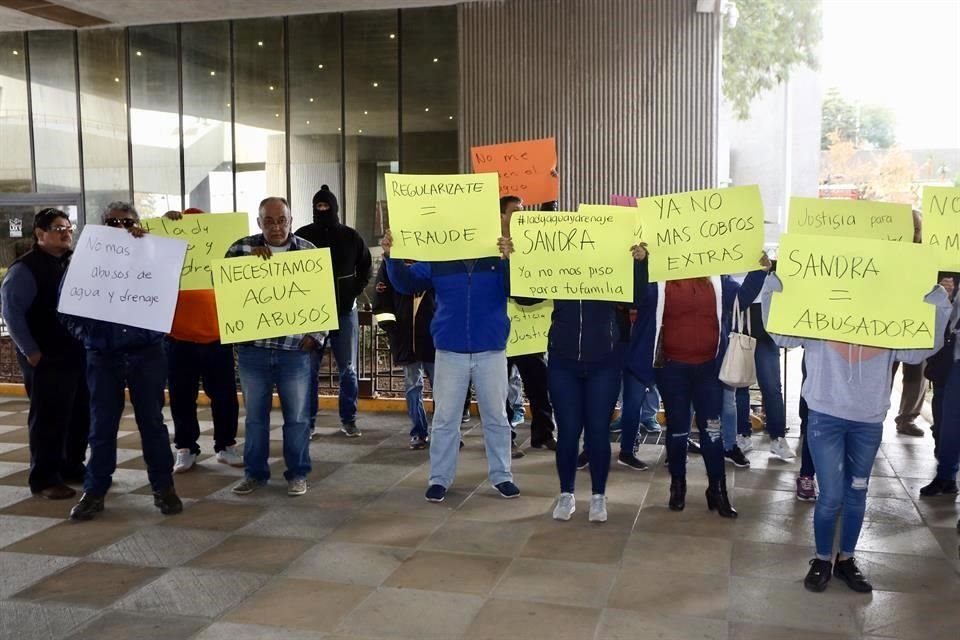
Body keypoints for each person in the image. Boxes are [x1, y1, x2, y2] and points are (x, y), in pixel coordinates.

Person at [761, 265, 951, 593]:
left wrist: (938, 301)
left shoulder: (890, 315)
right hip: (825, 416)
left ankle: (846, 559)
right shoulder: (819, 309)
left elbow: (919, 350)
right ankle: (822, 558)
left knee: (856, 492)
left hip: (868, 420)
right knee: (831, 494)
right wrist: (772, 285)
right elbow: (781, 334)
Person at [61, 202, 182, 521]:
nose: (121, 226)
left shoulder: (155, 256)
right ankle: (95, 490)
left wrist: (158, 242)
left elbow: (170, 293)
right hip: (103, 355)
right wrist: (89, 337)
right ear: (103, 226)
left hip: (147, 354)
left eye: (127, 221)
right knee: (101, 425)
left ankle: (164, 487)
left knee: (152, 423)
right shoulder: (84, 261)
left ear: (136, 223)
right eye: (113, 222)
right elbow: (67, 310)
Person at [380, 229, 519, 504]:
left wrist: (510, 260)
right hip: (449, 351)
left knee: (497, 418)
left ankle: (502, 475)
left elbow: (519, 290)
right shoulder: (440, 257)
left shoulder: (497, 257)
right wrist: (390, 256)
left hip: (490, 350)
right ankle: (439, 479)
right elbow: (406, 283)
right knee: (445, 420)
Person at [627, 255, 766, 518]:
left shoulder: (717, 279)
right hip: (672, 369)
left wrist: (759, 271)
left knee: (712, 431)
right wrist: (641, 263)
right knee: (678, 431)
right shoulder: (660, 280)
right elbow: (636, 297)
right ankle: (677, 485)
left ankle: (718, 490)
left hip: (709, 370)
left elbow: (741, 300)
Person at [526, 243, 649, 524]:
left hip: (604, 362)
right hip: (563, 362)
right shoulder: (556, 269)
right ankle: (566, 494)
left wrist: (640, 264)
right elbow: (523, 296)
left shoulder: (610, 266)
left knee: (597, 432)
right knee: (568, 432)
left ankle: (598, 496)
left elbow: (637, 296)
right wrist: (512, 261)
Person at [227, 197, 325, 497]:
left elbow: (321, 298)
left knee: (297, 417)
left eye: (281, 219)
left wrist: (316, 336)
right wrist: (248, 266)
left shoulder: (308, 251)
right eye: (268, 221)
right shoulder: (240, 249)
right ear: (259, 223)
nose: (276, 226)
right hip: (253, 350)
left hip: (295, 351)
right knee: (256, 417)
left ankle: (297, 474)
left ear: (290, 220)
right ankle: (254, 474)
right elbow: (226, 292)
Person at [1, 208, 88, 499]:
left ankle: (72, 467)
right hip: (46, 357)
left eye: (69, 227)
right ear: (40, 234)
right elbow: (12, 315)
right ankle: (45, 479)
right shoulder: (24, 269)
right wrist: (33, 353)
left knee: (79, 413)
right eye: (59, 228)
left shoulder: (72, 262)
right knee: (49, 419)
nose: (66, 232)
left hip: (76, 352)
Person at [161, 208, 242, 474]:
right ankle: (185, 448)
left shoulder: (224, 252)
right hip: (178, 338)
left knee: (225, 397)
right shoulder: (169, 255)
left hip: (217, 338)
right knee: (182, 397)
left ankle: (226, 445)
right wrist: (163, 225)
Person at [295, 185, 372, 438]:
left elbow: (365, 267)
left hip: (343, 311)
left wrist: (353, 291)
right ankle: (309, 423)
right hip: (312, 314)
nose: (323, 210)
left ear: (335, 208)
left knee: (348, 369)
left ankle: (348, 419)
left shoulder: (351, 237)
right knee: (309, 371)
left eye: (327, 206)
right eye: (319, 206)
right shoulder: (301, 236)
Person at [500, 196, 557, 457]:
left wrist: (549, 194)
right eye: (516, 212)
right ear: (501, 216)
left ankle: (543, 434)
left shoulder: (530, 239)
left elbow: (546, 225)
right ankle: (505, 437)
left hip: (529, 330)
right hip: (502, 332)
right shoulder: (491, 245)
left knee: (539, 383)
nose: (522, 216)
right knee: (500, 388)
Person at [373, 259, 436, 450]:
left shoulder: (437, 256)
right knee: (412, 387)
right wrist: (391, 328)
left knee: (443, 390)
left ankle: (445, 433)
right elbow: (381, 297)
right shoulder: (391, 260)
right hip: (404, 338)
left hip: (434, 337)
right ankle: (419, 432)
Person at [919, 272, 959, 498]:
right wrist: (947, 298)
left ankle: (946, 475)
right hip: (948, 357)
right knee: (946, 421)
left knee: (951, 422)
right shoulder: (949, 269)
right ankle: (946, 476)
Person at [892, 209, 928, 437]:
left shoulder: (930, 254)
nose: (914, 234)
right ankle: (876, 415)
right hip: (887, 323)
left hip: (917, 323)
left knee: (916, 374)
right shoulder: (888, 251)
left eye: (917, 229)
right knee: (882, 374)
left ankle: (907, 419)